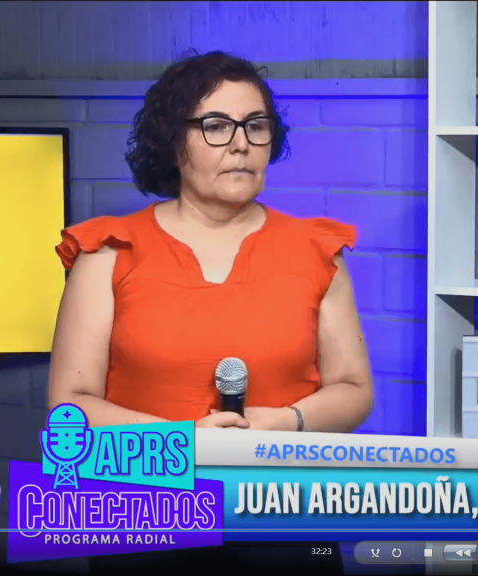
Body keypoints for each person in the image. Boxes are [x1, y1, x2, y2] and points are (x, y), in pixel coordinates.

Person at [46, 50, 370, 572]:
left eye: (255, 125)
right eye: (216, 126)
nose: (241, 143)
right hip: (143, 518)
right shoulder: (108, 252)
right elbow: (68, 407)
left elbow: (354, 390)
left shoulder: (316, 251)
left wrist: (289, 422)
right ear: (174, 143)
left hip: (282, 517)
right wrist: (182, 444)